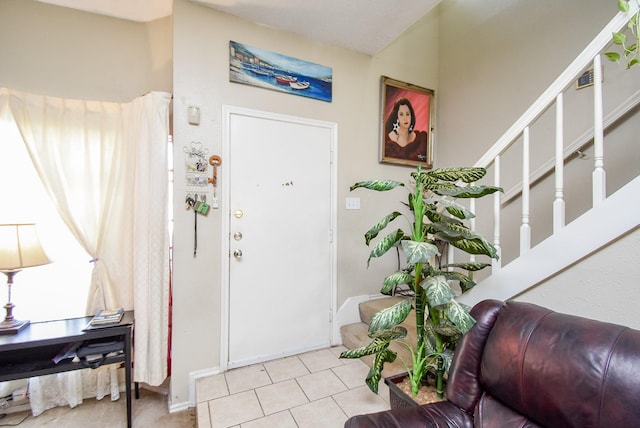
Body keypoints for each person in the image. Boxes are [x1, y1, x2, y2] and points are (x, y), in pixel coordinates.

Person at [384, 98, 429, 163]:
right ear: (396, 117)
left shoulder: (421, 139)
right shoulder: (388, 140)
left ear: (411, 116)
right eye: (401, 114)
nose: (405, 118)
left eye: (408, 114)